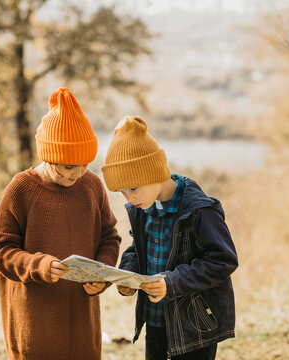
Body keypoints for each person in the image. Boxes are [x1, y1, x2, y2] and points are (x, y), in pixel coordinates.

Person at [0, 87, 121, 360]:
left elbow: (109, 237)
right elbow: (0, 251)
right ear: (47, 155)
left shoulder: (93, 186)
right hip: (35, 330)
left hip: (84, 328)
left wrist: (102, 274)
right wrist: (40, 266)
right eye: (68, 167)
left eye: (84, 164)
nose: (78, 173)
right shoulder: (20, 190)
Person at [101, 116, 238, 360]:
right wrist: (127, 275)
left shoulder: (199, 210)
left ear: (153, 171)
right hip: (155, 320)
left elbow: (223, 260)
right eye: (122, 192)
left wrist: (171, 282)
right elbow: (137, 248)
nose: (128, 198)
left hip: (193, 326)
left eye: (132, 188)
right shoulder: (143, 208)